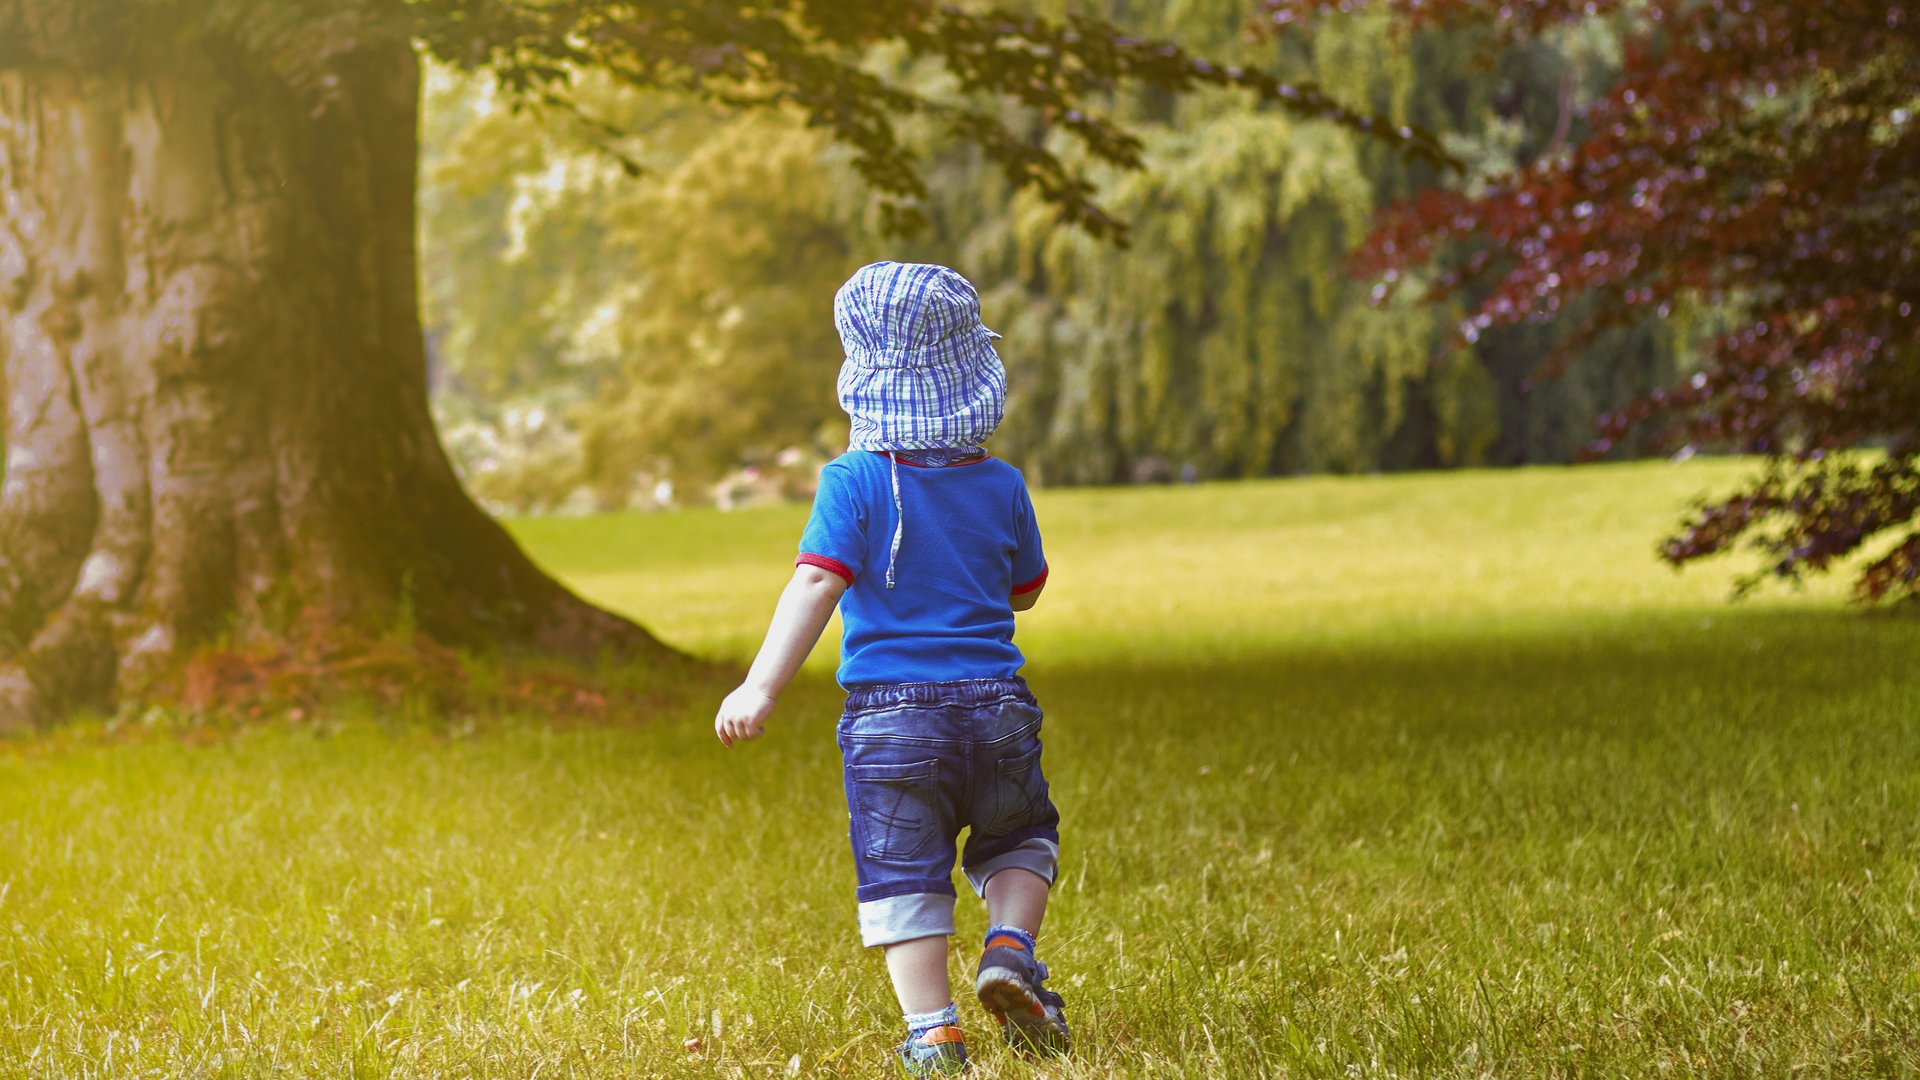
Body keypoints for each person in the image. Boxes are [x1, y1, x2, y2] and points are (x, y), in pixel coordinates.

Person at [713, 261, 1067, 1075]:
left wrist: (759, 686)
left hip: (890, 721)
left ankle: (933, 1033)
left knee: (905, 873)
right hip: (996, 706)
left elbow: (815, 582)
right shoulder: (1004, 482)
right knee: (1021, 835)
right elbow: (1027, 591)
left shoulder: (854, 479)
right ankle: (1011, 949)